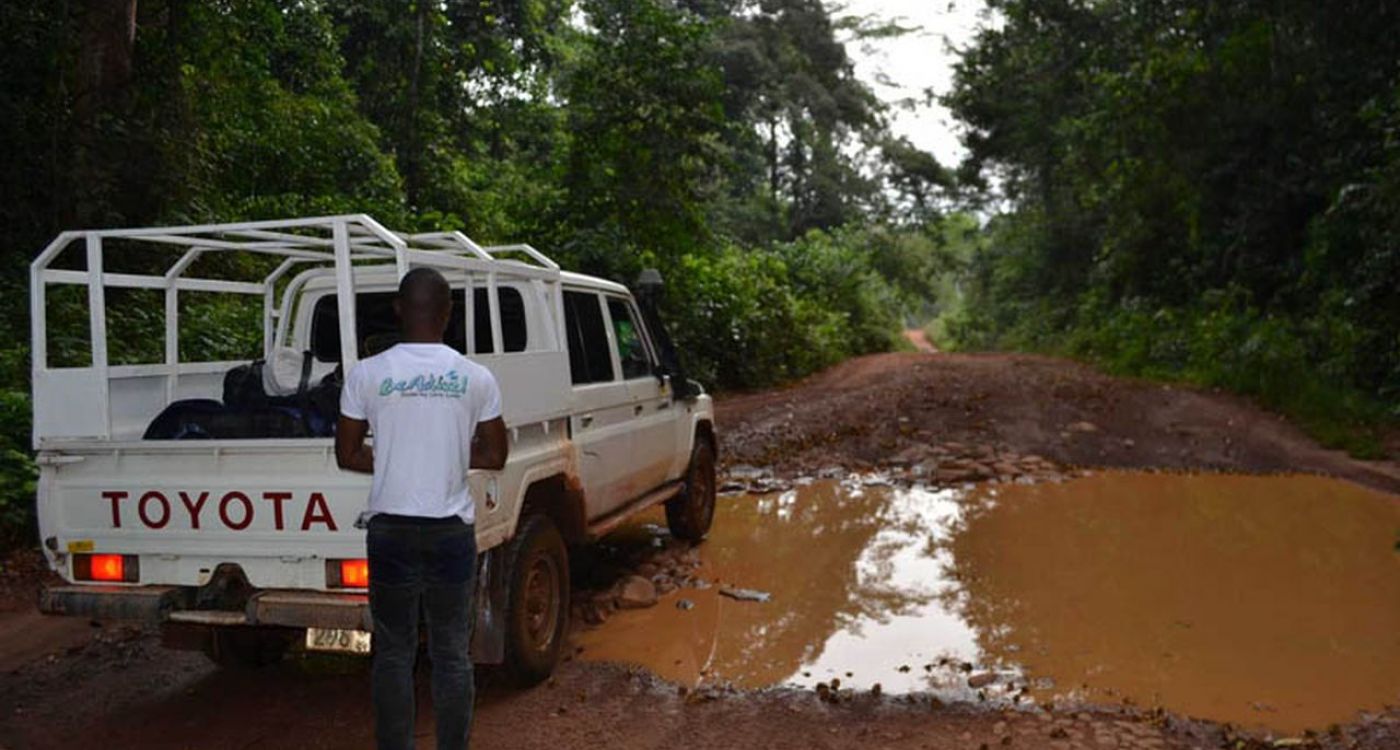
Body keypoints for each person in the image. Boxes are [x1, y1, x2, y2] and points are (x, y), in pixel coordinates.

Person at [336, 267, 508, 750]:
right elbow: (496, 455)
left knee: (393, 654)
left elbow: (347, 454)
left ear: (396, 308)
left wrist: (393, 453)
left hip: (389, 532)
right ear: (448, 315)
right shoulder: (475, 377)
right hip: (450, 535)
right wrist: (449, 451)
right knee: (453, 655)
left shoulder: (366, 374)